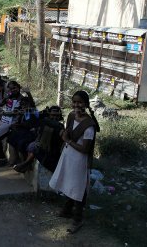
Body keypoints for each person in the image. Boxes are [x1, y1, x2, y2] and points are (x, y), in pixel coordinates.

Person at [49, 90, 100, 234]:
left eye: (80, 102)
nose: (76, 105)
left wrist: (68, 140)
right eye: (74, 102)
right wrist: (63, 134)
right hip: (68, 155)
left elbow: (84, 149)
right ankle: (67, 210)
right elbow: (68, 131)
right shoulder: (71, 116)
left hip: (79, 159)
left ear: (86, 104)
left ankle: (78, 218)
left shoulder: (89, 125)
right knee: (68, 183)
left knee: (78, 188)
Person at [12, 105, 64, 173]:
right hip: (41, 144)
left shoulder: (59, 126)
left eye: (57, 116)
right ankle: (26, 164)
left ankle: (25, 164)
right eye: (53, 115)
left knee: (35, 148)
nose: (55, 117)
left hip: (52, 149)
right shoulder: (45, 122)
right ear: (49, 115)